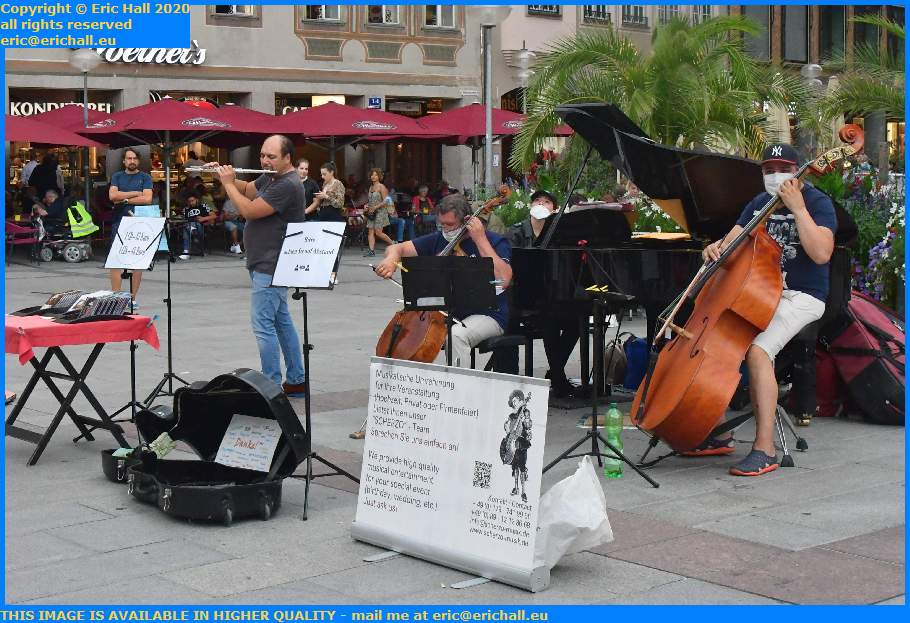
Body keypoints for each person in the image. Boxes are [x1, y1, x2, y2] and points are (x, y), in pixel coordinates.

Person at [691, 143, 837, 476]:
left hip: (801, 296)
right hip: (761, 293)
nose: (775, 176)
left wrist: (798, 209)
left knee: (757, 351)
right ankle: (719, 432)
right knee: (717, 342)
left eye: (782, 169)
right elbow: (733, 241)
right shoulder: (759, 204)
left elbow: (822, 255)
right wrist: (714, 248)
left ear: (797, 171)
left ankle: (765, 449)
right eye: (768, 170)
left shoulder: (817, 203)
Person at [212, 135, 307, 396]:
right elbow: (249, 189)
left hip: (272, 263)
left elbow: (249, 210)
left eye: (271, 157)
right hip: (265, 262)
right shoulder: (272, 176)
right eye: (263, 155)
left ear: (288, 158)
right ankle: (297, 380)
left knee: (263, 325)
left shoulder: (288, 183)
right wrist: (223, 174)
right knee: (281, 322)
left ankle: (271, 387)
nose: (265, 161)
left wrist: (228, 185)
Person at [375, 194, 513, 368]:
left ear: (467, 221)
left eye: (450, 225)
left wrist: (480, 239)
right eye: (442, 225)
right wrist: (391, 259)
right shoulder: (438, 239)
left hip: (489, 314)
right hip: (449, 312)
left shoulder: (494, 241)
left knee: (455, 336)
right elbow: (397, 247)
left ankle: (458, 391)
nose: (446, 230)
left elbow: (504, 278)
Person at [506, 190, 582, 397]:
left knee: (576, 323)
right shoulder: (516, 231)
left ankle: (554, 372)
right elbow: (512, 266)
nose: (541, 204)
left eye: (547, 201)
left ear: (554, 209)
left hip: (554, 291)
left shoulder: (560, 233)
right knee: (550, 319)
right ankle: (558, 377)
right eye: (537, 201)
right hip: (524, 294)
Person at [108, 148, 153, 302]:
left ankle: (132, 299)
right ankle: (116, 297)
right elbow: (113, 196)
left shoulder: (145, 177)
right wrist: (135, 193)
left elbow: (147, 199)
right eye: (129, 158)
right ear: (124, 161)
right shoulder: (117, 176)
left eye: (134, 158)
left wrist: (125, 200)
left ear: (138, 161)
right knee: (115, 260)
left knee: (137, 262)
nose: (132, 161)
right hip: (119, 222)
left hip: (139, 222)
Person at [501, 390, 532, 502]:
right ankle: (516, 488)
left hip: (520, 444)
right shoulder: (512, 415)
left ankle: (523, 492)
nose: (514, 403)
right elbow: (507, 428)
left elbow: (528, 426)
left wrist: (525, 421)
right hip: (512, 443)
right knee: (515, 467)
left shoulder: (525, 412)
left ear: (521, 400)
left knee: (522, 467)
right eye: (512, 401)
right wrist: (507, 427)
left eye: (515, 401)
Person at [363, 168, 395, 257]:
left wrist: (376, 207)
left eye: (376, 175)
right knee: (370, 231)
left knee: (378, 233)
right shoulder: (371, 187)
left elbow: (386, 201)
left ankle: (393, 244)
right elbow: (370, 200)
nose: (373, 176)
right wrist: (366, 205)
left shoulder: (382, 187)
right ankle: (371, 251)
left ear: (379, 176)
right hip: (371, 212)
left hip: (381, 212)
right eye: (372, 175)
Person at [178, 194, 217, 260]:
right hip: (189, 225)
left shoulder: (203, 206)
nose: (191, 203)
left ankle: (186, 251)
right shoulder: (186, 209)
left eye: (192, 200)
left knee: (189, 226)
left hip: (201, 226)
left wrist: (203, 218)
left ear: (197, 200)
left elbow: (214, 216)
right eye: (189, 201)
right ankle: (187, 250)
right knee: (186, 226)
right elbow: (184, 219)